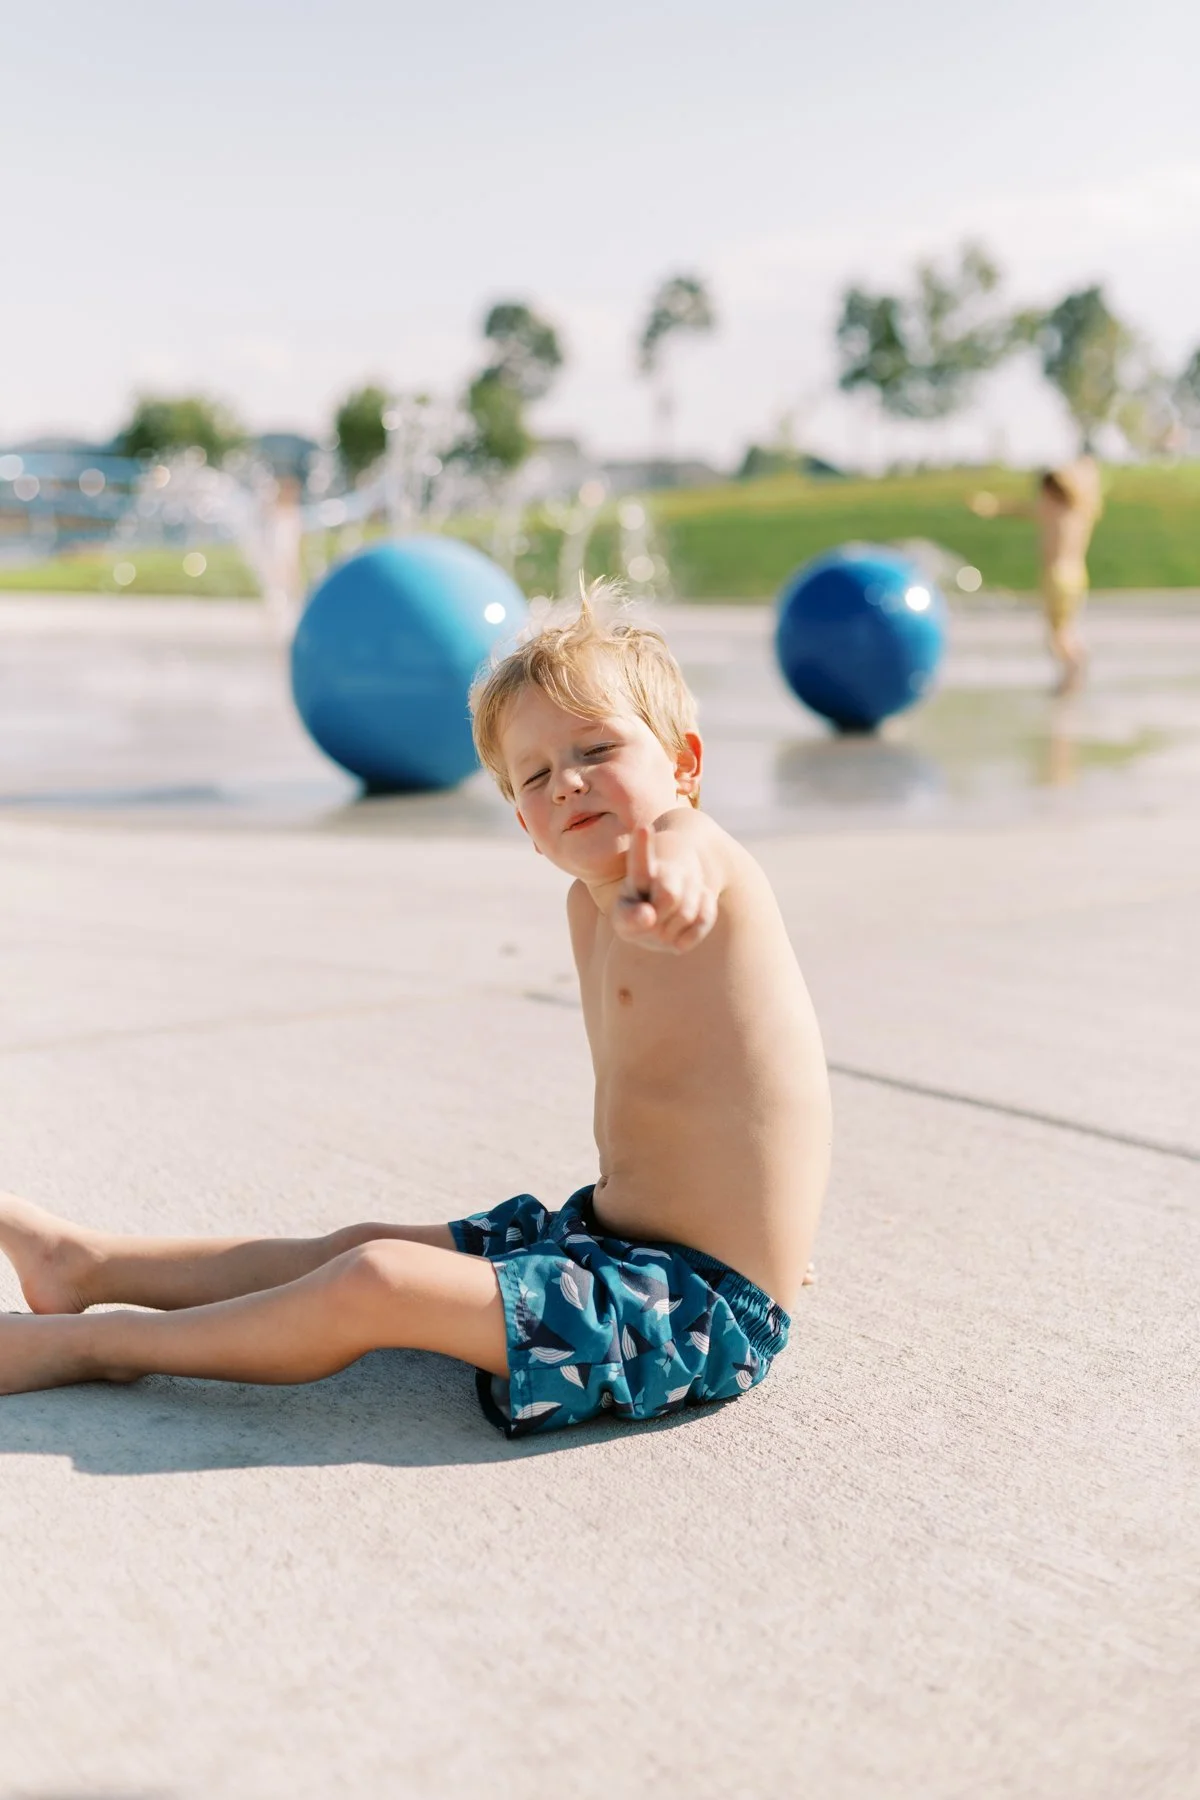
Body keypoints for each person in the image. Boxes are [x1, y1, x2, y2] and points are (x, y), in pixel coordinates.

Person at [0, 592, 831, 1437]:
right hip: (603, 1244)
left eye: (597, 748)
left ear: (684, 764)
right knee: (356, 1244)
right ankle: (86, 1262)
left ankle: (100, 1346)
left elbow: (691, 852)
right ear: (524, 823)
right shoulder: (588, 904)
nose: (567, 780)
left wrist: (678, 878)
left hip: (695, 1310)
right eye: (535, 776)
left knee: (377, 1281)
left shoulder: (699, 860)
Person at [970, 456, 1102, 694]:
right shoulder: (1081, 511)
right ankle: (1071, 676)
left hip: (1057, 577)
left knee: (1057, 636)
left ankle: (1073, 672)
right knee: (1065, 630)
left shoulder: (1052, 510)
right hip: (1077, 574)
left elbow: (1019, 509)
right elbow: (1089, 481)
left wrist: (992, 506)